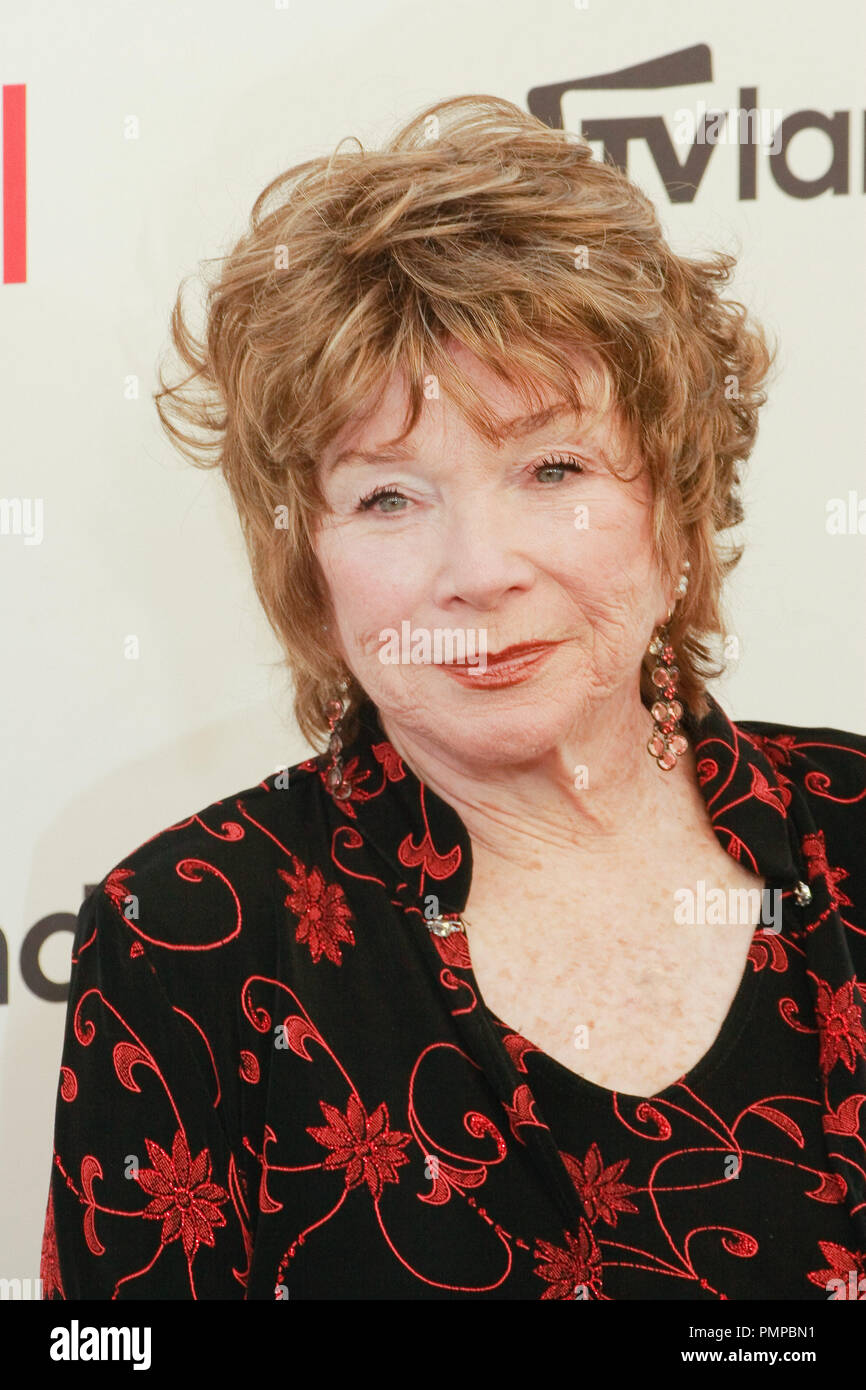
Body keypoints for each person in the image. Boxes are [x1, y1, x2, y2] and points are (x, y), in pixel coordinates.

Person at [41, 93, 866, 1301]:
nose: (478, 570)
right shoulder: (183, 935)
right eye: (387, 496)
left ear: (674, 514)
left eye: (552, 468)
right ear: (306, 562)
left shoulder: (851, 820)